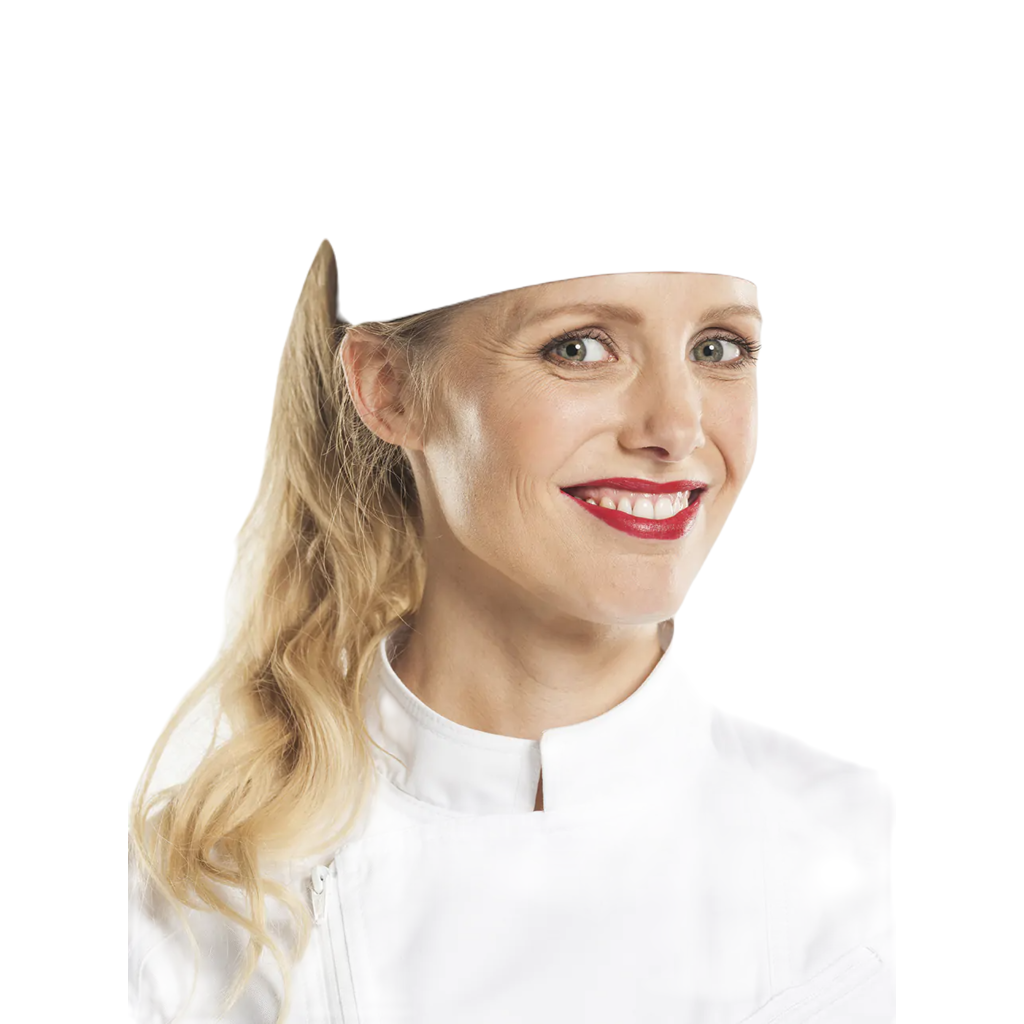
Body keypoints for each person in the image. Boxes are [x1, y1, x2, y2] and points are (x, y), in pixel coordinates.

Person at [128, 240, 894, 1024]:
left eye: (718, 348)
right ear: (390, 389)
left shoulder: (865, 880)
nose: (677, 426)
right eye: (580, 347)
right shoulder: (192, 920)